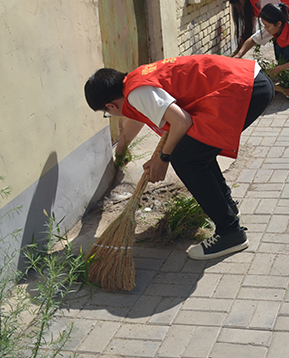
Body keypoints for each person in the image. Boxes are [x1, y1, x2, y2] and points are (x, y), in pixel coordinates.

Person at [84, 55, 274, 260]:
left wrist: (162, 158)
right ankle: (228, 209)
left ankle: (230, 233)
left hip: (244, 89)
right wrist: (122, 146)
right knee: (196, 153)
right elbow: (138, 115)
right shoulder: (134, 83)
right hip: (250, 81)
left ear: (110, 106)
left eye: (107, 113)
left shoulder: (137, 94)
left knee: (186, 160)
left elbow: (182, 121)